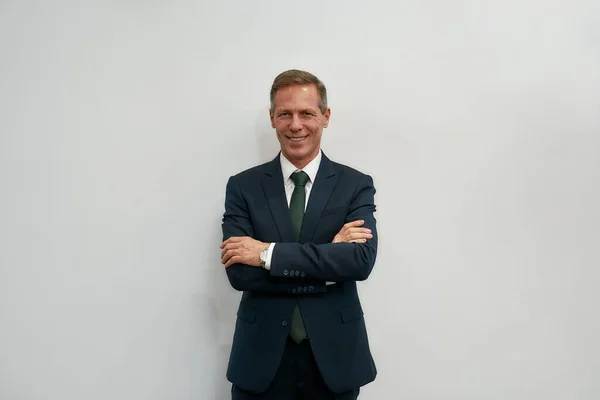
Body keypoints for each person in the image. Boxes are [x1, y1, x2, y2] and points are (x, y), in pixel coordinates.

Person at [220, 69, 378, 399]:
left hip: (335, 360)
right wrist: (328, 265)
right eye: (285, 114)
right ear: (272, 119)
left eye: (306, 113)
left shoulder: (355, 185)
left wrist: (266, 255)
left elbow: (359, 263)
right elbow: (238, 273)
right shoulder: (243, 187)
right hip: (260, 361)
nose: (295, 125)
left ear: (325, 116)